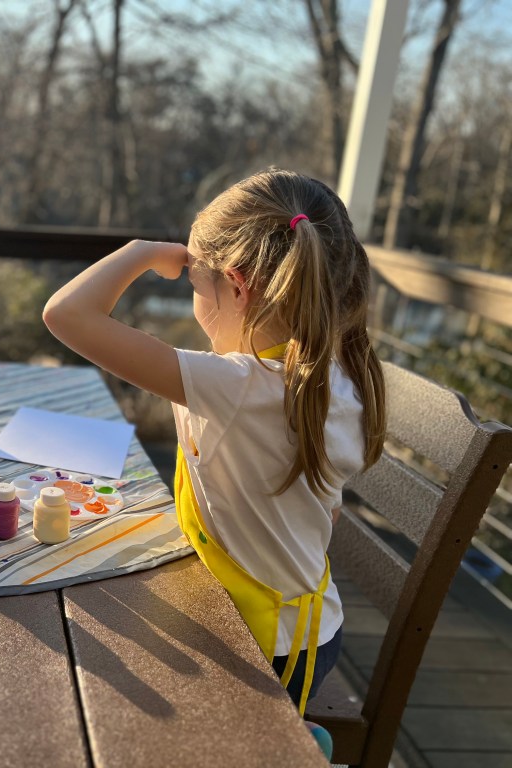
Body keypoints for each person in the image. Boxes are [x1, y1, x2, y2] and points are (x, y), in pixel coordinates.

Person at [42, 168, 386, 719]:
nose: (196, 305)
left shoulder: (236, 386)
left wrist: (137, 252)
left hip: (262, 647)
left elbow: (65, 315)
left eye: (197, 288)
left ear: (238, 286)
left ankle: (296, 747)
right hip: (301, 628)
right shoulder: (333, 374)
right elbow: (329, 510)